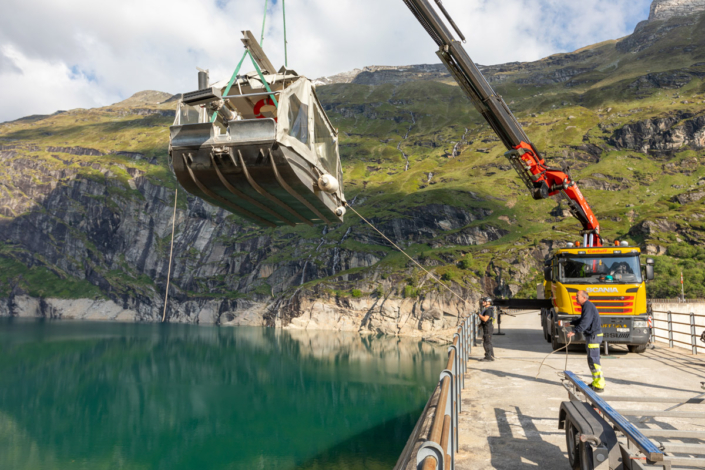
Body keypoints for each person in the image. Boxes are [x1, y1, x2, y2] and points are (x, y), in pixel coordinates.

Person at [567, 290, 605, 393]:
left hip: (593, 336)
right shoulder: (586, 306)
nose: (575, 297)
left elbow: (585, 322)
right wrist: (571, 323)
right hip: (592, 336)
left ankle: (599, 384)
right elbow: (582, 319)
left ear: (584, 297)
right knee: (591, 360)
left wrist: (574, 331)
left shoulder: (587, 306)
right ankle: (596, 382)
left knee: (594, 360)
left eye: (577, 295)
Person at [477, 297, 495, 362]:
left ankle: (488, 357)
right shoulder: (488, 309)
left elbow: (485, 319)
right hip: (487, 327)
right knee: (488, 341)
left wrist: (478, 314)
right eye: (483, 301)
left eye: (484, 301)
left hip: (488, 328)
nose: (483, 302)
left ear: (488, 302)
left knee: (487, 343)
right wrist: (480, 324)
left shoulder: (488, 310)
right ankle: (490, 355)